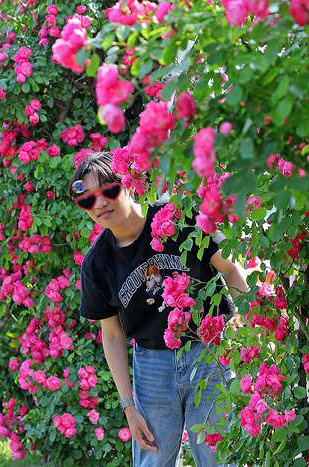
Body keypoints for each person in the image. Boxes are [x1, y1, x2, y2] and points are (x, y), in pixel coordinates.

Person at [70, 152, 248, 467]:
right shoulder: (97, 264)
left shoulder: (179, 218)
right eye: (87, 200)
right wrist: (129, 407)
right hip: (152, 367)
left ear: (128, 184)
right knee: (153, 462)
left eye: (108, 190)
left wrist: (251, 330)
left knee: (221, 458)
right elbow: (111, 336)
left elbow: (230, 270)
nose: (100, 204)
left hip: (210, 352)